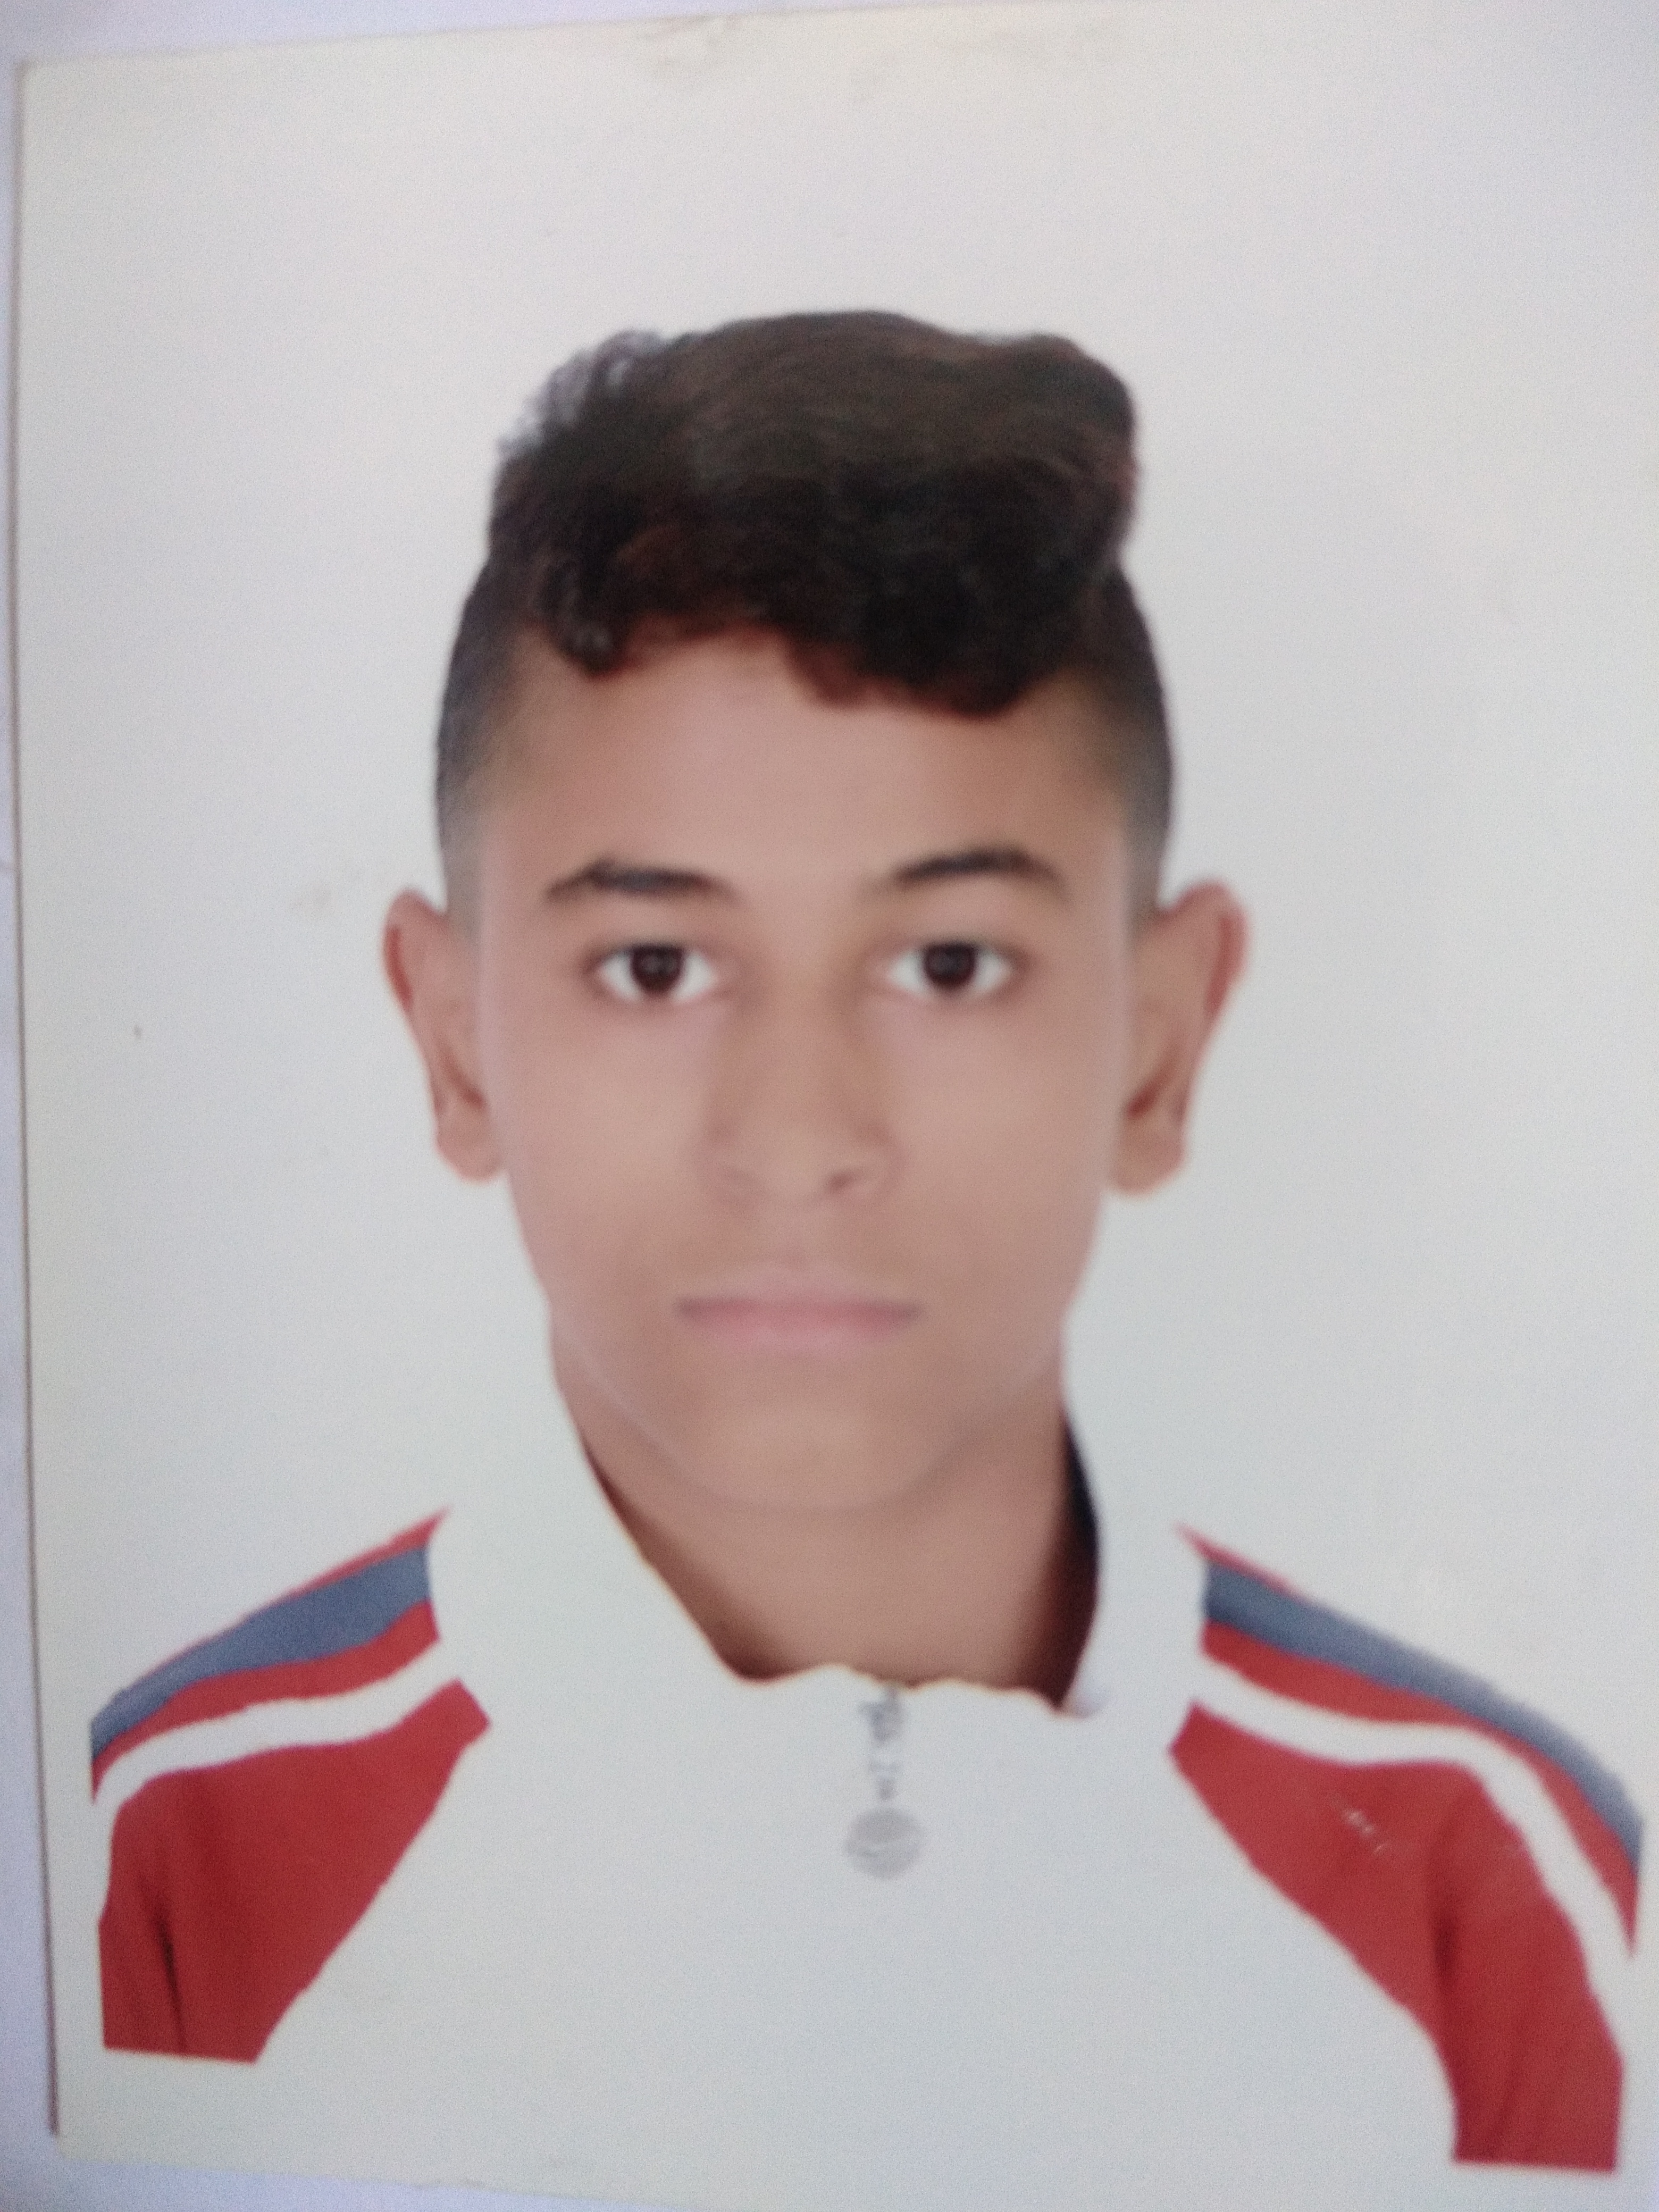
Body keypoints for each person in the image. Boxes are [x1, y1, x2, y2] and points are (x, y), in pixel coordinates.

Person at [86, 314, 1639, 2202]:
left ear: (1158, 1046)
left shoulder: (1507, 1892)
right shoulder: (142, 1861)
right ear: (455, 1039)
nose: (801, 1136)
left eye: (949, 964)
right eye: (655, 966)